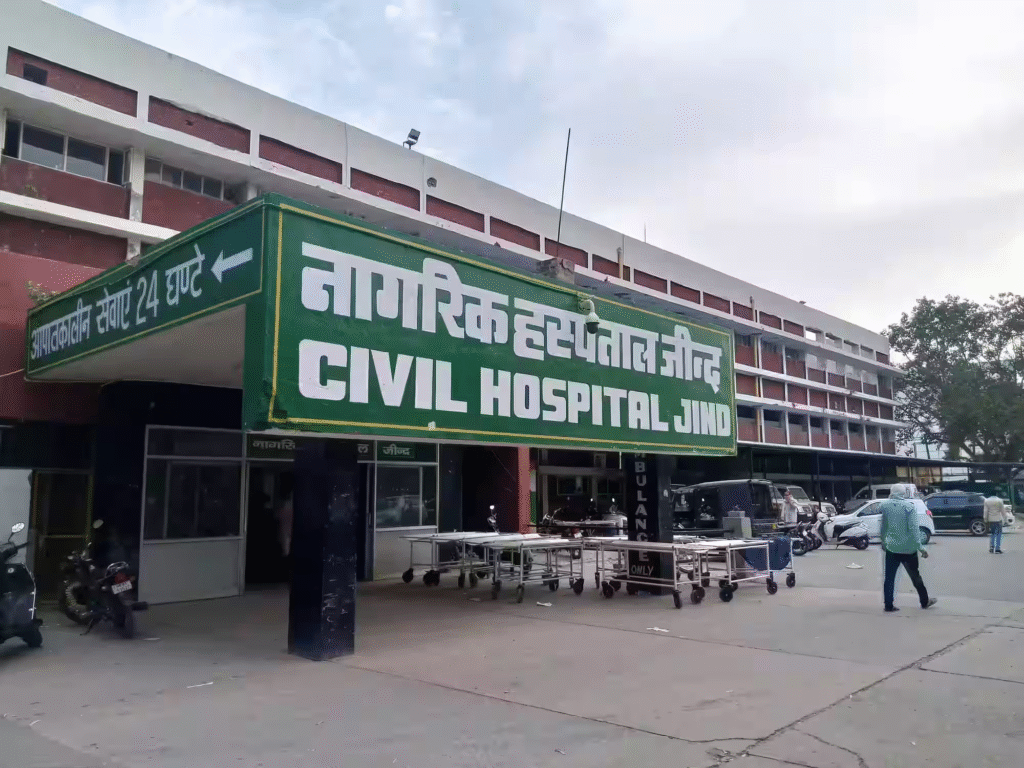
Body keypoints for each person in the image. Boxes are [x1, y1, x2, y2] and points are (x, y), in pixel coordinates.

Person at [880, 483, 937, 613]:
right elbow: (914, 530)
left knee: (889, 578)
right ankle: (924, 601)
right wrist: (921, 548)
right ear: (903, 493)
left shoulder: (885, 506)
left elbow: (884, 527)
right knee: (915, 576)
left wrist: (883, 541)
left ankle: (888, 605)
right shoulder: (909, 507)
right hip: (909, 549)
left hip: (892, 548)